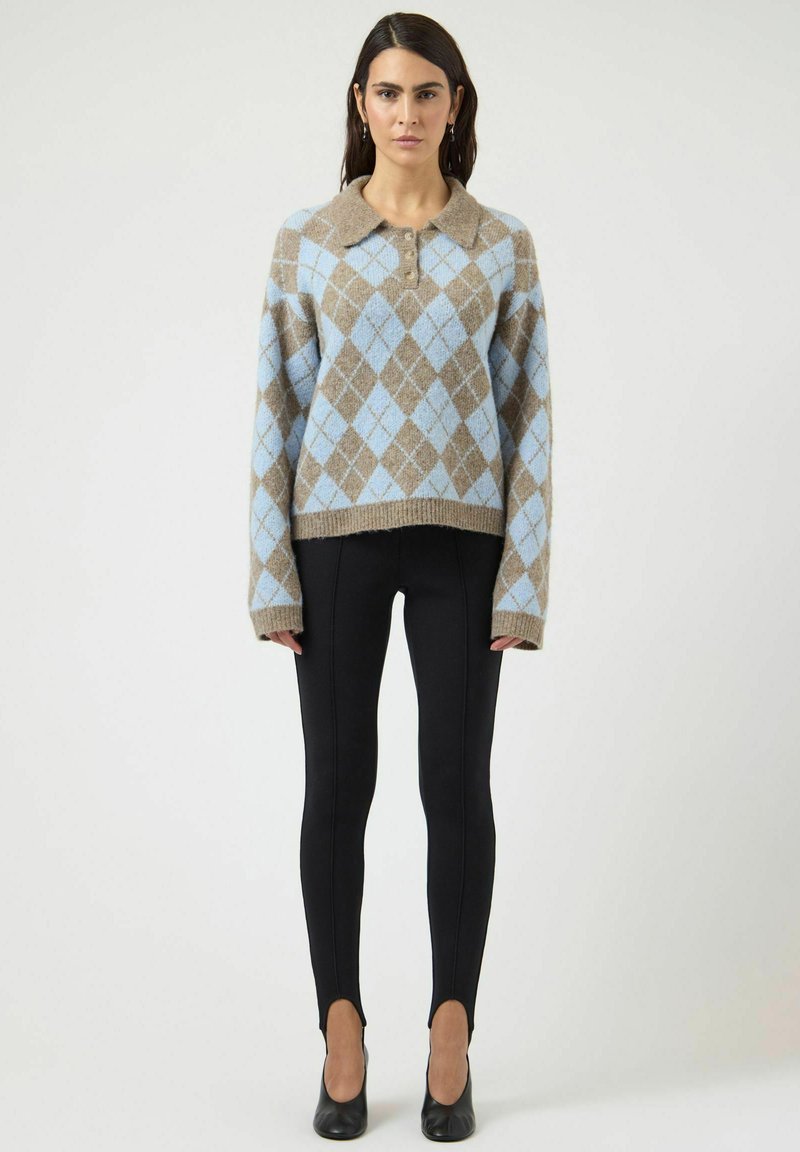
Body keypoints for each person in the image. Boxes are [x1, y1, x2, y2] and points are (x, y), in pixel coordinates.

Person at [248, 12, 553, 1141]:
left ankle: (450, 1033)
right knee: (337, 787)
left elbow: (530, 415)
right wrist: (271, 577)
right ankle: (340, 1029)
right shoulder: (309, 241)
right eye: (387, 92)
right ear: (360, 105)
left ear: (454, 105)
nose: (407, 112)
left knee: (454, 788)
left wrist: (522, 581)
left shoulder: (501, 244)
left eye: (427, 92)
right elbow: (276, 406)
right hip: (332, 542)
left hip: (462, 546)